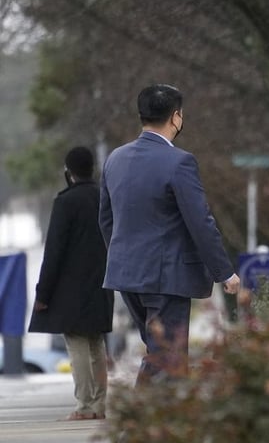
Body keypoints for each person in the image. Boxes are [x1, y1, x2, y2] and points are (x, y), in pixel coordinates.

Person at [99, 84, 240, 385]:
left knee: (158, 352)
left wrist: (122, 255)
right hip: (166, 277)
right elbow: (200, 221)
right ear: (176, 117)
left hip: (128, 275)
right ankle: (144, 427)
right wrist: (224, 272)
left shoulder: (115, 159)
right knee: (168, 360)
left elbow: (106, 219)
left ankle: (152, 425)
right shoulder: (179, 162)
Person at [29, 146, 114, 420]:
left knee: (76, 342)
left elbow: (54, 252)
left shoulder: (66, 202)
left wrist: (43, 294)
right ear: (92, 169)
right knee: (96, 343)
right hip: (103, 284)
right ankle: (100, 405)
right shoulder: (104, 198)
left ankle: (85, 405)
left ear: (69, 172)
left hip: (72, 291)